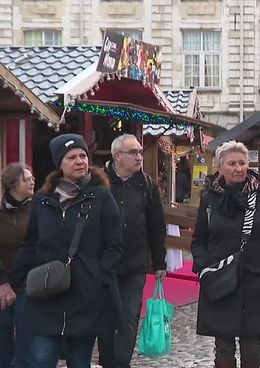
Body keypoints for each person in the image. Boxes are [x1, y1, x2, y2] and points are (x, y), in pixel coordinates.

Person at [11, 134, 123, 368]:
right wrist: (15, 280)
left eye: (83, 155)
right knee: (41, 360)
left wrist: (99, 275)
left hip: (86, 297)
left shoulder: (101, 197)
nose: (79, 161)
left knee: (80, 362)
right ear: (59, 163)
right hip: (46, 297)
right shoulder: (42, 200)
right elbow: (31, 243)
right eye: (72, 157)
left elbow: (114, 244)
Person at [191, 140, 260, 368]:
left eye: (242, 163)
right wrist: (203, 266)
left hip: (255, 278)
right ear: (221, 167)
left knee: (252, 350)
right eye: (232, 163)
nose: (238, 168)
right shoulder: (209, 199)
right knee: (224, 351)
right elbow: (199, 239)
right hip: (219, 278)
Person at [98, 134, 167, 368]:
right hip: (104, 264)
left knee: (129, 317)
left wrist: (159, 263)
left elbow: (157, 225)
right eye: (133, 152)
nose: (139, 156)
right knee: (106, 318)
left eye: (140, 152)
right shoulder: (98, 181)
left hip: (135, 264)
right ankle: (107, 361)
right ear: (118, 156)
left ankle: (120, 363)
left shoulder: (147, 185)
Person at [0, 163, 35, 368]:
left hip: (29, 284)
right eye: (26, 179)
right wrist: (3, 282)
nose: (32, 181)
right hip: (3, 285)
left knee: (26, 339)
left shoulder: (38, 210)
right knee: (3, 338)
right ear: (13, 184)